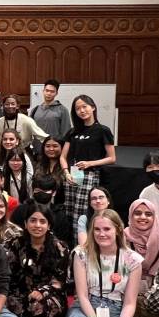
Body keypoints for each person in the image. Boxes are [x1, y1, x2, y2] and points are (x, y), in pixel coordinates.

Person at [5, 204, 70, 317]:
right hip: (21, 292)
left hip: (49, 293)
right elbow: (9, 275)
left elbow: (60, 280)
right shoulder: (15, 244)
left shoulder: (60, 248)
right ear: (25, 223)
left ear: (49, 225)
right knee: (9, 304)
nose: (37, 225)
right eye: (33, 221)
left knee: (40, 307)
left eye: (42, 221)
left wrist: (42, 291)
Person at [60, 95, 116, 232]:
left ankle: (82, 246)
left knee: (82, 213)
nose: (82, 110)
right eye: (78, 108)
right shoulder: (72, 131)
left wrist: (90, 163)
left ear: (93, 107)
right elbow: (62, 157)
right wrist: (66, 173)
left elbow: (112, 158)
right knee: (69, 211)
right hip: (72, 174)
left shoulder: (103, 130)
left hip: (90, 175)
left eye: (84, 106)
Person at [10, 174, 73, 244]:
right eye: (38, 190)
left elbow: (63, 240)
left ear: (54, 193)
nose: (42, 193)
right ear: (33, 190)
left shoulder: (59, 215)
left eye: (45, 191)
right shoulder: (21, 210)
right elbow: (14, 233)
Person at [0, 94, 49, 163]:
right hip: (6, 154)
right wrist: (0, 159)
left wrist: (52, 145)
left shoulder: (26, 120)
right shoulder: (0, 122)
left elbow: (42, 136)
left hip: (25, 153)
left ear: (17, 106)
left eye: (13, 104)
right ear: (3, 106)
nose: (10, 106)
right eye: (7, 104)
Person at [124, 199, 159, 291]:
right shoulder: (121, 238)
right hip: (125, 291)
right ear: (130, 216)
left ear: (154, 217)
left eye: (148, 214)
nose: (143, 217)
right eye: (137, 213)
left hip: (158, 294)